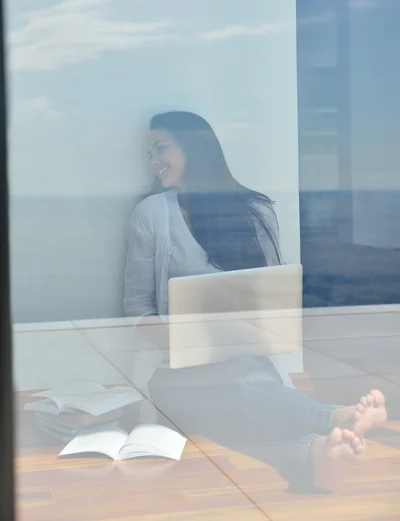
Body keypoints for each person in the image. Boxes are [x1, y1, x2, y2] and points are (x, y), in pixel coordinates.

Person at [124, 111, 387, 492]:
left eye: (161, 147)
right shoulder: (150, 214)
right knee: (232, 387)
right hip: (174, 373)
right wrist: (187, 348)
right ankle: (331, 418)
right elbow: (136, 311)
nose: (154, 161)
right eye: (150, 152)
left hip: (245, 366)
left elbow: (271, 300)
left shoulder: (254, 210)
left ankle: (310, 459)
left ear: (194, 148)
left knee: (235, 391)